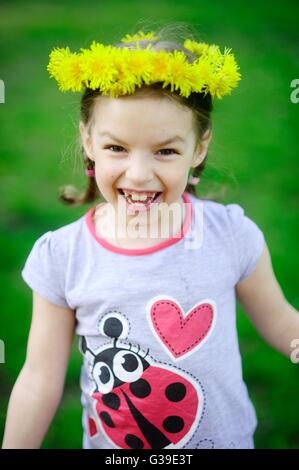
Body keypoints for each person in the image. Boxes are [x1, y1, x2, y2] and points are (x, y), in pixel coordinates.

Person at [2, 27, 299, 450]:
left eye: (165, 151)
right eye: (117, 148)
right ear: (88, 140)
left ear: (199, 148)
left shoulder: (231, 236)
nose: (139, 174)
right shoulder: (63, 257)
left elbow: (282, 323)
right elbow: (39, 379)